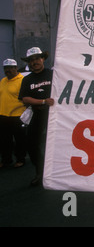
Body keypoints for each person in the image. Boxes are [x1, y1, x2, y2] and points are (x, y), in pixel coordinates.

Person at [18, 47, 54, 186]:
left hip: (54, 114)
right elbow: (25, 99)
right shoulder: (27, 80)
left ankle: (59, 172)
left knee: (58, 142)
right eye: (31, 60)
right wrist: (43, 101)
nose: (34, 62)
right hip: (37, 113)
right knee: (31, 144)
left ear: (43, 59)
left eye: (37, 59)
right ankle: (40, 171)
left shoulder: (52, 74)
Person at [0, 59, 27, 168]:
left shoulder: (22, 80)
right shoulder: (3, 81)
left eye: (11, 68)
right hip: (3, 115)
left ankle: (21, 159)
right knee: (4, 140)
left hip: (18, 115)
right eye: (6, 68)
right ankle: (6, 160)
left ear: (16, 68)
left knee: (20, 139)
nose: (8, 70)